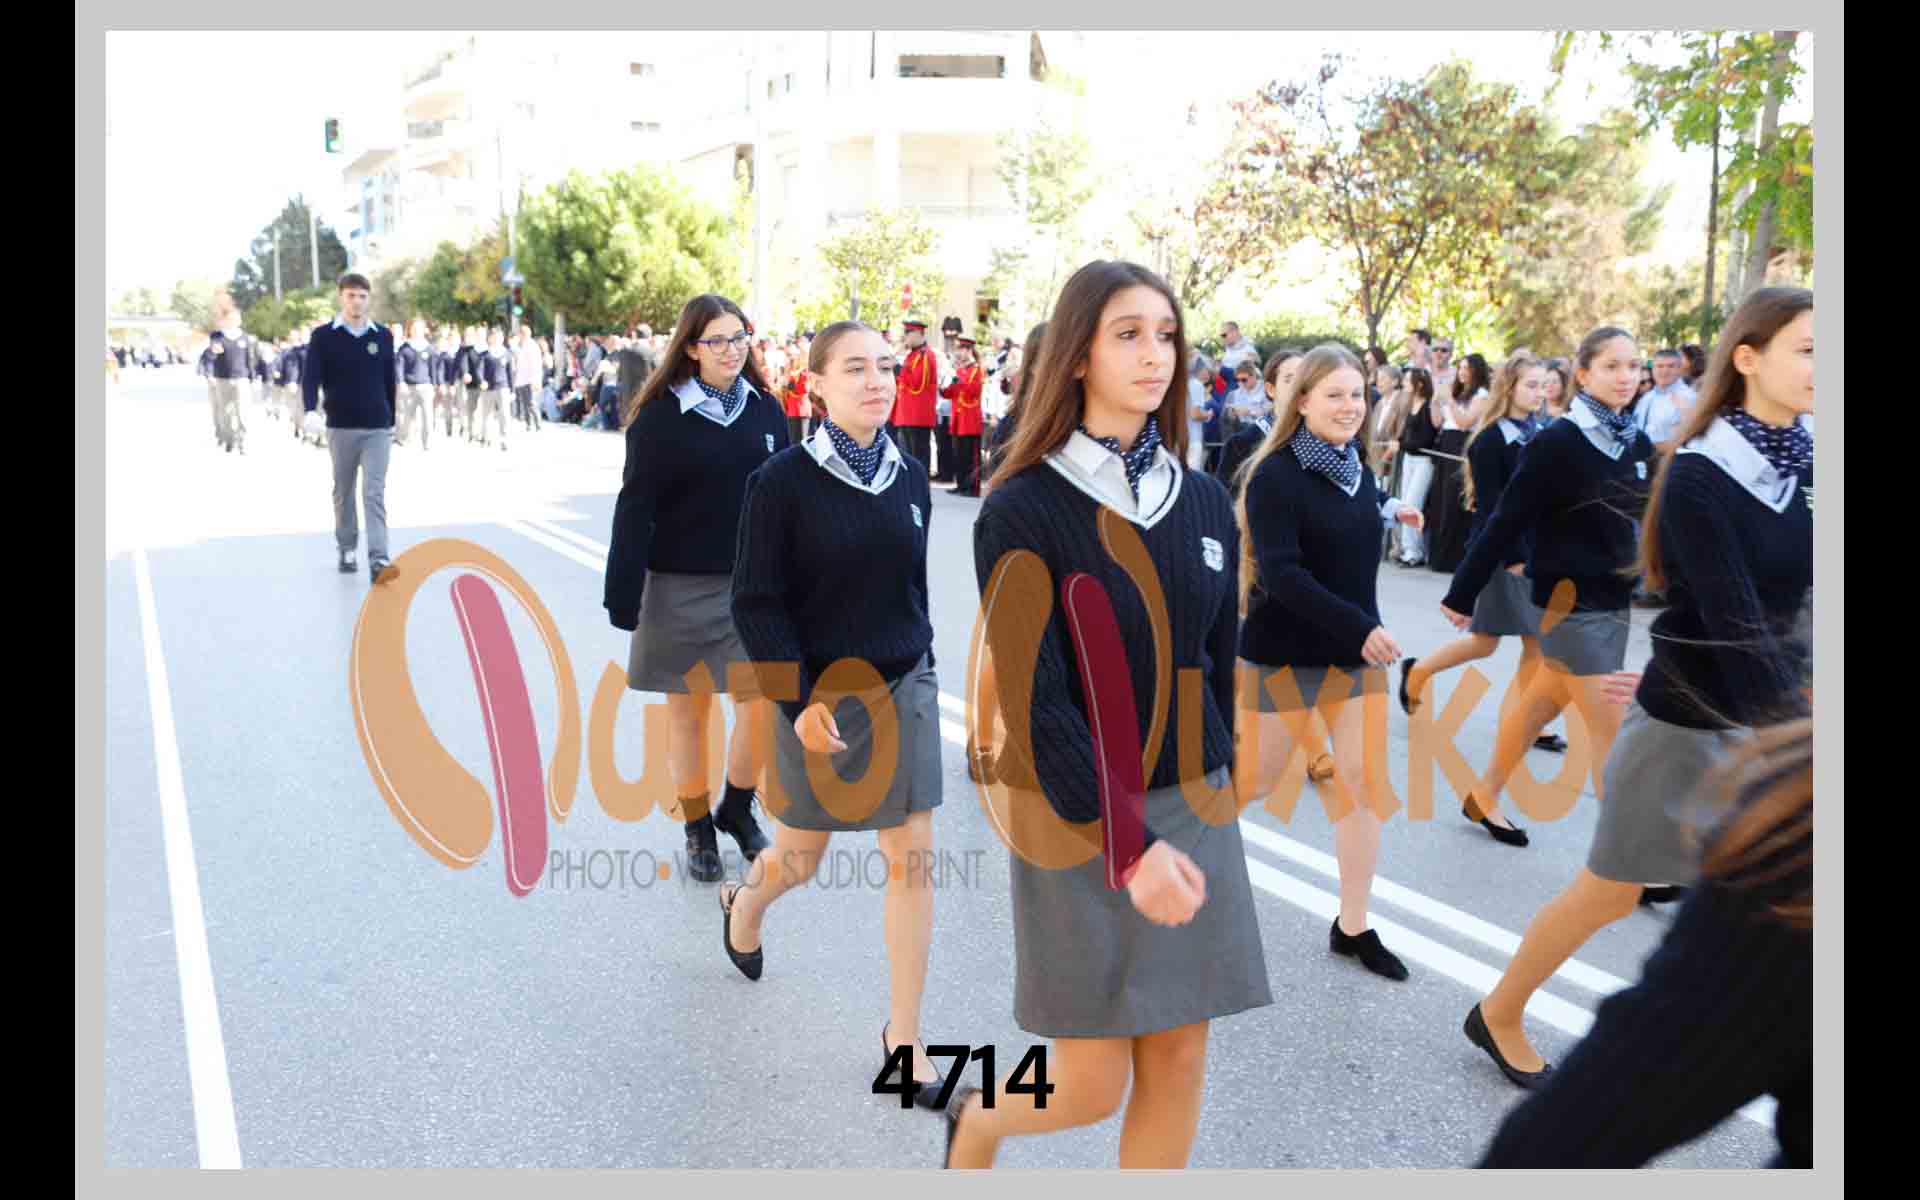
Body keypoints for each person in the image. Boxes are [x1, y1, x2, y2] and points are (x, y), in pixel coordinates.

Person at [948, 261, 1272, 1169]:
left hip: (1193, 805)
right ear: (1079, 355)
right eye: (1128, 334)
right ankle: (979, 1117)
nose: (1155, 354)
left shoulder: (1203, 500)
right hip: (1077, 810)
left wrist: (1224, 774)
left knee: (1180, 1054)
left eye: (1166, 335)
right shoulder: (1021, 508)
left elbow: (1216, 660)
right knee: (1090, 1084)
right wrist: (1130, 845)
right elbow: (1037, 699)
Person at [1462, 290, 1814, 1091]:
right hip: (1695, 729)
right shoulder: (1699, 473)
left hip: (1773, 718)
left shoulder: (1809, 461)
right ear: (1748, 358)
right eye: (1807, 349)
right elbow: (1732, 623)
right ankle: (1501, 1011)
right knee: (1611, 893)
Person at [723, 320, 949, 1108]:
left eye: (885, 366)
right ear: (814, 384)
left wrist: (922, 657)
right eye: (855, 368)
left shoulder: (910, 474)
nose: (877, 380)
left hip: (905, 683)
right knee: (800, 858)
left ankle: (905, 1038)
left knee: (912, 852)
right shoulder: (779, 482)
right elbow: (756, 604)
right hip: (815, 695)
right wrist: (796, 702)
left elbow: (912, 590)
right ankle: (745, 904)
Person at [1478, 715, 1812, 1167]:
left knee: (1617, 892)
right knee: (1611, 893)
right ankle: (1498, 1012)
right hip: (1684, 732)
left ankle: (1484, 795)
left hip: (1727, 733)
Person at [1235, 343, 1426, 983]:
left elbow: (1349, 519)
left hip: (1354, 657)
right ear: (1302, 402)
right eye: (1334, 395)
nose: (1350, 407)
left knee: (1362, 789)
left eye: (1357, 395)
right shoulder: (1274, 475)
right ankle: (1164, 859)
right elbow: (1283, 573)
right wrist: (1361, 626)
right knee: (1254, 783)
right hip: (1285, 655)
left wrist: (1390, 510)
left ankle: (1354, 925)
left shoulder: (1354, 467)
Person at [604, 293, 786, 884]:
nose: (732, 350)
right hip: (678, 585)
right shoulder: (660, 417)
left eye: (739, 337)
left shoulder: (766, 409)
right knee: (688, 713)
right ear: (690, 349)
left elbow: (788, 500)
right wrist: (623, 591)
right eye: (717, 340)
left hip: (754, 588)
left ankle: (736, 806)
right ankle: (696, 826)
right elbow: (635, 506)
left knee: (762, 703)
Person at [1399, 353, 1560, 845]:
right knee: (1492, 643)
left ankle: (1523, 722)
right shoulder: (1490, 441)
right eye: (1531, 384)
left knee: (1524, 644)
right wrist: (1513, 558)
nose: (1540, 393)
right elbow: (1494, 510)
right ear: (1509, 387)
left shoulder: (1540, 432)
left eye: (1544, 385)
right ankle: (1419, 673)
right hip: (1502, 557)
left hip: (1536, 556)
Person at [302, 273, 399, 584]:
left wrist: (393, 420)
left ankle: (379, 559)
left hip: (377, 427)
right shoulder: (323, 336)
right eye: (351, 296)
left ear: (368, 299)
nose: (356, 301)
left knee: (374, 491)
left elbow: (389, 380)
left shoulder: (382, 336)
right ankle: (346, 548)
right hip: (341, 427)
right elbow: (310, 377)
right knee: (343, 491)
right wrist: (309, 410)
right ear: (341, 297)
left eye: (362, 296)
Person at [1422, 351, 1490, 574]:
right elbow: (1437, 422)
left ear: (1476, 371)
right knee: (1440, 499)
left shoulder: (1481, 395)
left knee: (1455, 501)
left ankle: (1454, 559)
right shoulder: (1457, 394)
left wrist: (1449, 400)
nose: (1462, 373)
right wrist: (1435, 401)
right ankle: (1437, 557)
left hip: (1463, 445)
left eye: (1466, 368)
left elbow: (1465, 422)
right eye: (1459, 368)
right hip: (1446, 443)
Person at [1390, 368, 1440, 567]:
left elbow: (1426, 439)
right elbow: (1406, 434)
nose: (1404, 383)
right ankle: (1408, 548)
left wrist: (1401, 445)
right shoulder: (1411, 404)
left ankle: (1414, 551)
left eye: (1407, 380)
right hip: (1408, 459)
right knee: (1405, 503)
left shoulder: (1428, 406)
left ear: (1419, 384)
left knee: (1413, 503)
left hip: (1423, 461)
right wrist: (1399, 442)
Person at [890, 319, 946, 475]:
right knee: (907, 457)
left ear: (918, 334)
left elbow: (918, 383)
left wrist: (897, 367)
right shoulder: (912, 355)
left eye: (908, 333)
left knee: (918, 457)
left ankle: (920, 486)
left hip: (917, 415)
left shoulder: (926, 355)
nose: (905, 337)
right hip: (906, 414)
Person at [205, 301, 256, 454]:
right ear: (225, 320)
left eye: (236, 318)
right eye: (230, 318)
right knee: (226, 411)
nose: (233, 321)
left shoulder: (245, 338)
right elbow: (210, 355)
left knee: (242, 411)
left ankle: (243, 440)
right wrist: (213, 352)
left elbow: (250, 359)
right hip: (223, 379)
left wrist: (253, 378)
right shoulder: (217, 336)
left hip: (241, 378)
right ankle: (229, 438)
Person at [944, 335, 987, 497]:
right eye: (959, 349)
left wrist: (958, 379)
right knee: (959, 454)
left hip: (970, 419)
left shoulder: (976, 370)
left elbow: (973, 391)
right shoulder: (960, 370)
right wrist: (945, 387)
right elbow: (950, 393)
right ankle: (961, 484)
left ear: (969, 351)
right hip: (958, 418)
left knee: (971, 456)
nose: (959, 353)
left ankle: (972, 487)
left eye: (962, 349)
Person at [395, 317, 436, 450]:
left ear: (424, 330)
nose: (417, 331)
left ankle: (427, 442)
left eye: (419, 328)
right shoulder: (405, 348)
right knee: (407, 416)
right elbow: (399, 366)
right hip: (409, 387)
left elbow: (433, 368)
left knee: (427, 416)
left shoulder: (429, 348)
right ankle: (405, 439)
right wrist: (401, 382)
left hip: (426, 386)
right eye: (414, 329)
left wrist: (434, 384)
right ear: (410, 330)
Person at [476, 327, 514, 450]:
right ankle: (486, 438)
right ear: (490, 339)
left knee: (504, 415)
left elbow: (510, 373)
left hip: (503, 387)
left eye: (499, 337)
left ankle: (504, 439)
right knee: (486, 414)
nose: (497, 339)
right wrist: (482, 381)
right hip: (488, 388)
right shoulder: (485, 355)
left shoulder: (507, 353)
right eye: (494, 337)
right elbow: (479, 370)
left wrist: (512, 390)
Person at [513, 322, 544, 433]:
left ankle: (538, 424)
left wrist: (535, 380)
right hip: (522, 379)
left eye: (520, 334)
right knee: (525, 403)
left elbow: (535, 364)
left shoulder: (532, 346)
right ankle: (528, 424)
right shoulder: (521, 345)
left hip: (530, 379)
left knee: (531, 403)